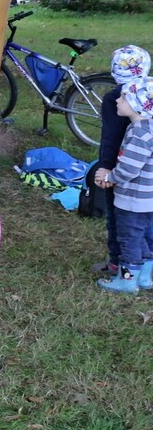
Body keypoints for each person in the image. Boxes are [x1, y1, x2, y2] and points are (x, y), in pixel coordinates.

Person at [91, 45, 150, 279]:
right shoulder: (150, 95)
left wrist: (107, 170)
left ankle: (123, 271)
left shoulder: (115, 99)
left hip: (124, 180)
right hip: (148, 183)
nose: (120, 100)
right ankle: (145, 272)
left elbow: (112, 137)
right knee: (145, 226)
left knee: (124, 228)